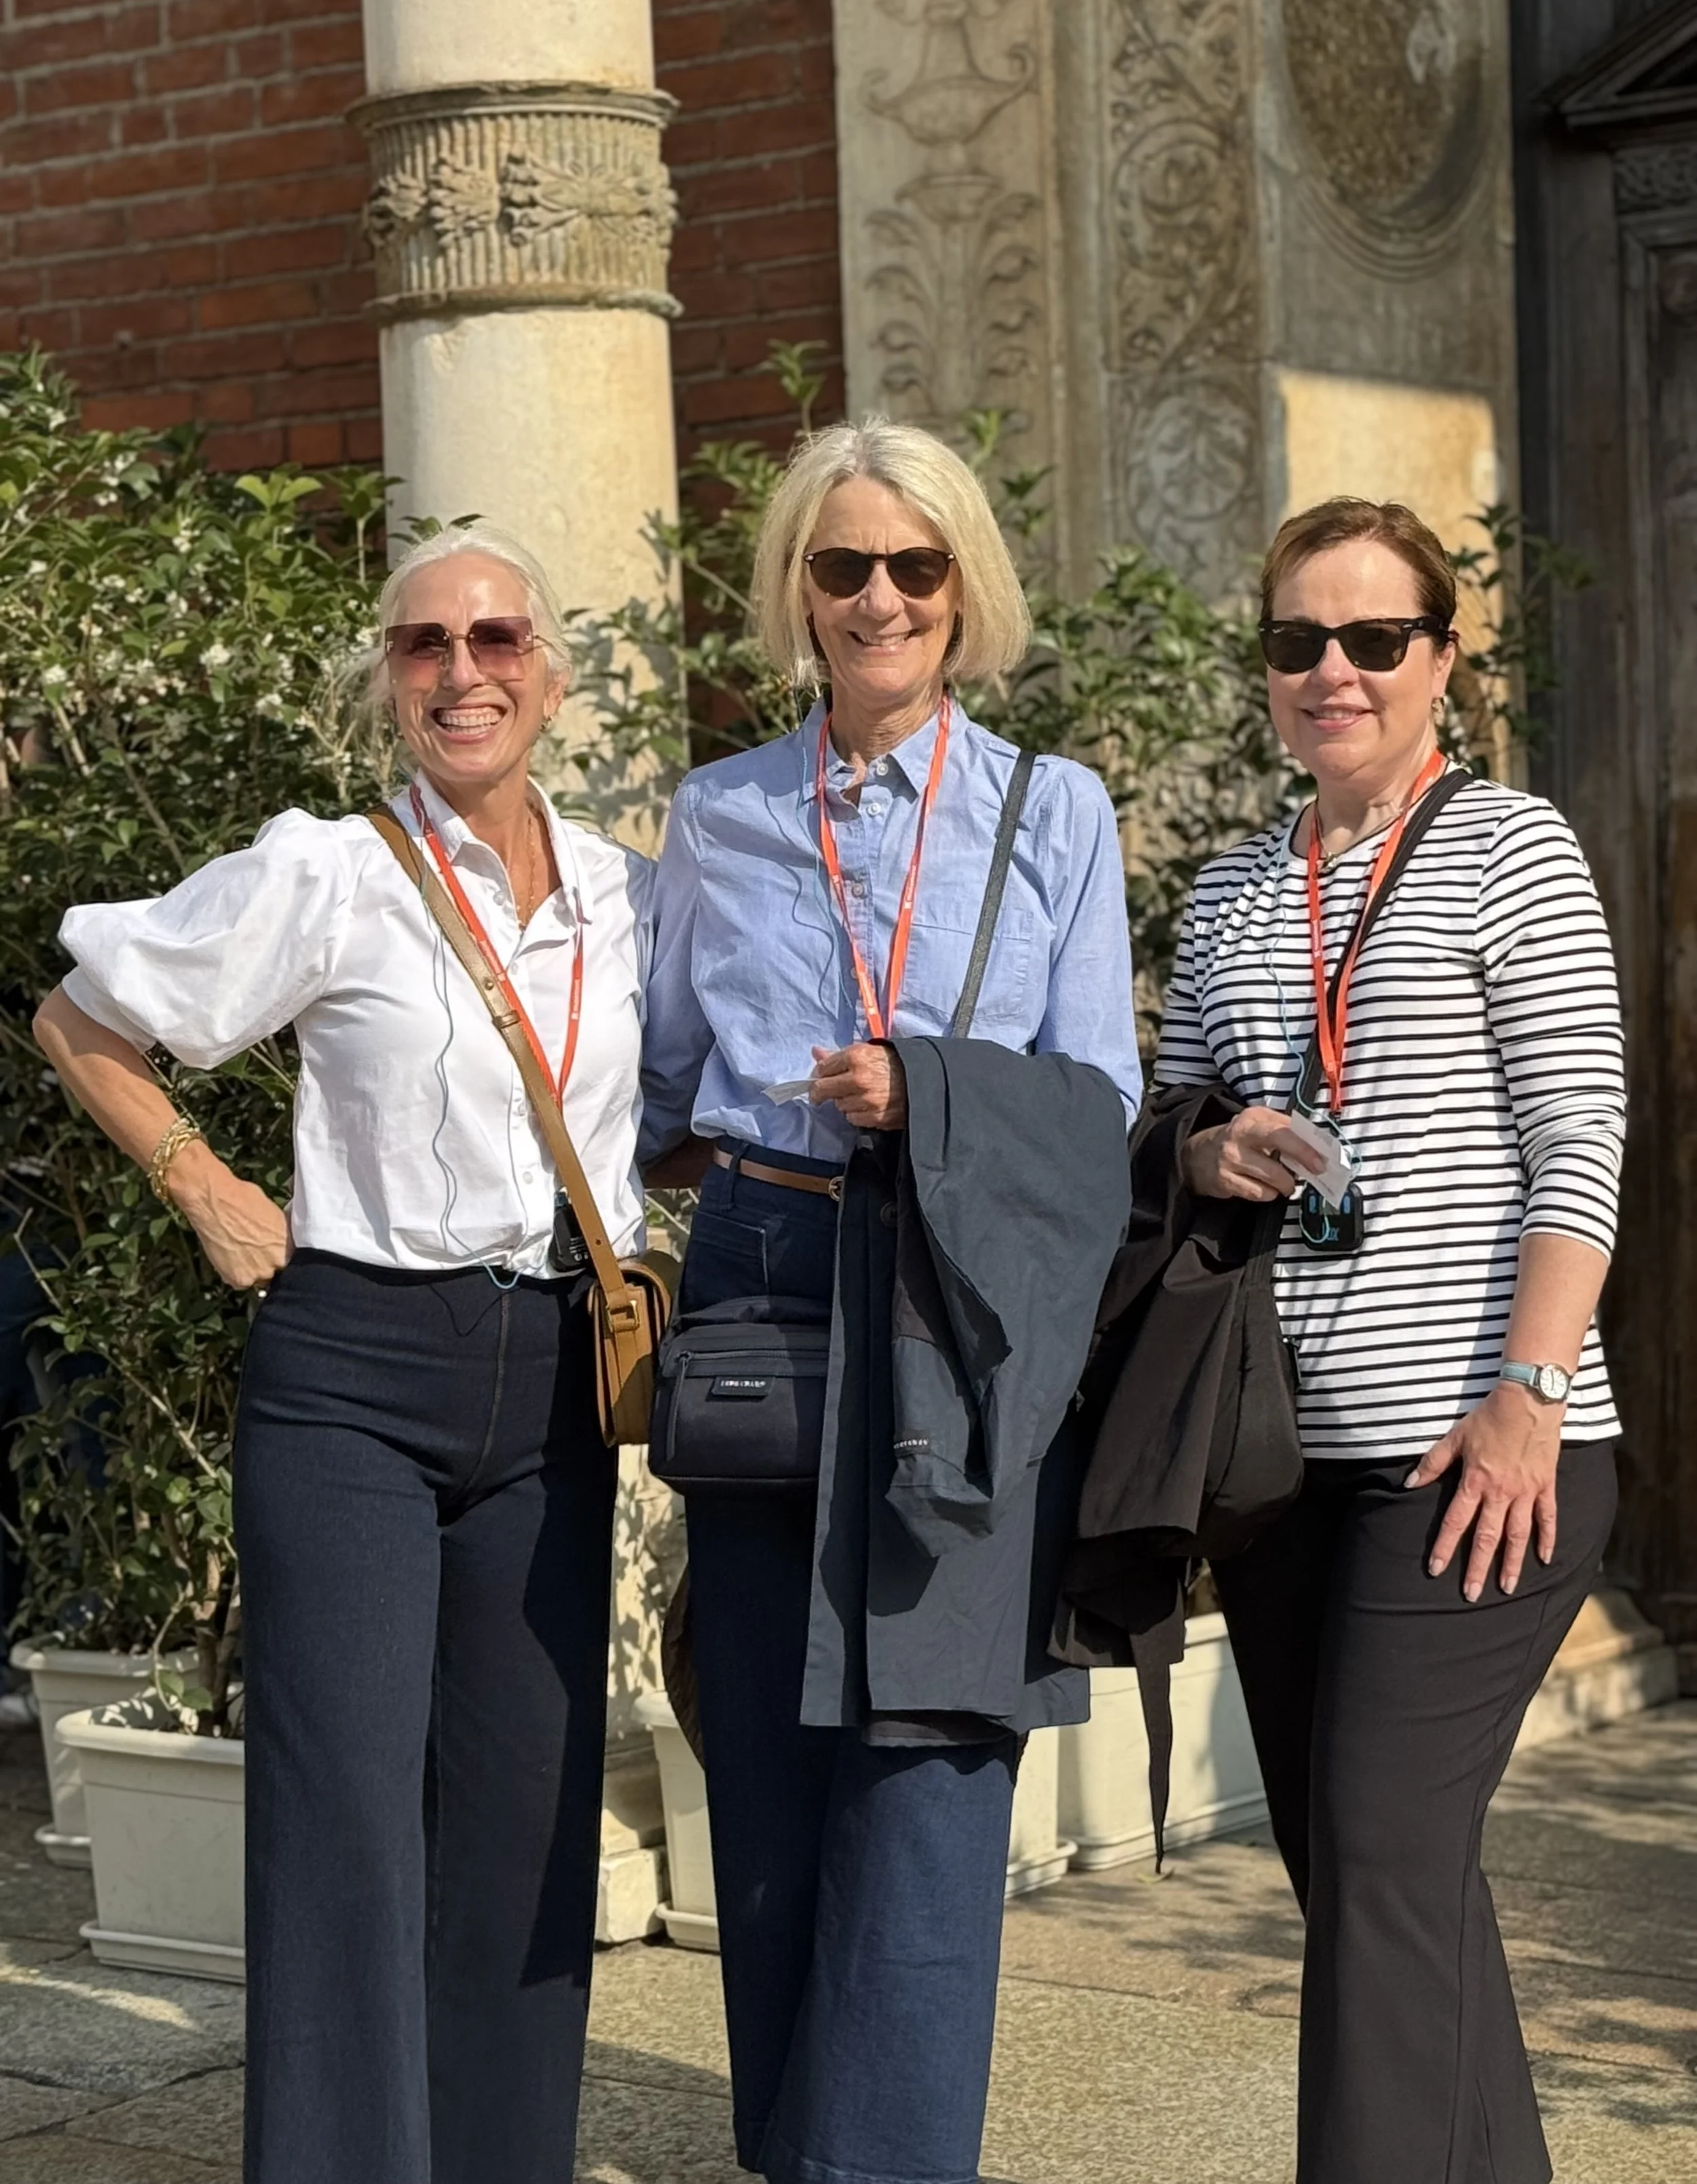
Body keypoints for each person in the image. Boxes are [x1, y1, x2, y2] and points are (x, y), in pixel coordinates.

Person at [33, 525, 648, 2184]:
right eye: (425, 644)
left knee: (525, 1821)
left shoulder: (615, 889)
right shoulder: (331, 867)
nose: (465, 671)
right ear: (385, 678)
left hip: (551, 1379)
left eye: (499, 637)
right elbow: (82, 1021)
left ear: (553, 675)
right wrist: (211, 1187)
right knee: (349, 1822)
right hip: (353, 1376)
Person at [641, 417, 1142, 2184]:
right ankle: (795, 2152)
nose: (875, 596)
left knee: (928, 1769)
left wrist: (921, 1100)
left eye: (911, 566)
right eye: (841, 563)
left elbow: (1095, 1100)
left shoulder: (1048, 810)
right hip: (771, 1279)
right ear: (796, 583)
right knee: (770, 1771)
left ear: (961, 588)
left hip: (963, 1294)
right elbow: (655, 1091)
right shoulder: (719, 817)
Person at [1154, 495, 1624, 2184]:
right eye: (1296, 641)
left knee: (1376, 1863)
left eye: (1370, 639)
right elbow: (1168, 1120)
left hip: (1478, 1456)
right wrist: (1209, 1146)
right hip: (1288, 1461)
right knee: (1377, 1879)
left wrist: (1524, 1396)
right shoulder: (1227, 892)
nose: (1330, 671)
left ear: (1441, 657)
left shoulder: (1509, 846)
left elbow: (1582, 1140)